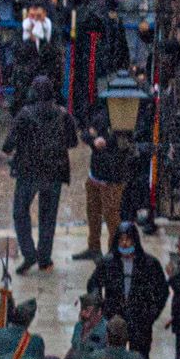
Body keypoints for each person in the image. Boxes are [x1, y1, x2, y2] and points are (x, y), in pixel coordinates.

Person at [2, 75, 78, 275]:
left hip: (29, 171)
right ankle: (44, 258)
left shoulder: (24, 115)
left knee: (20, 212)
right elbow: (73, 142)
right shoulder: (63, 115)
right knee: (48, 217)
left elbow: (7, 146)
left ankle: (29, 253)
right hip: (54, 172)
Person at [88, 222, 169, 359]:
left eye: (128, 239)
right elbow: (93, 284)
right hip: (114, 320)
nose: (125, 243)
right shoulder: (108, 263)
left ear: (135, 240)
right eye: (121, 239)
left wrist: (151, 314)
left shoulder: (149, 264)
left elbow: (162, 291)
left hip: (139, 321)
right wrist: (99, 307)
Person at [75, 100, 132, 264]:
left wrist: (105, 141)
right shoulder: (101, 115)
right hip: (96, 173)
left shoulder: (127, 121)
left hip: (113, 177)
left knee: (111, 214)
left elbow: (124, 144)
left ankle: (114, 252)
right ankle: (93, 247)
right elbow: (86, 133)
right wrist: (94, 140)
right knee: (93, 212)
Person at [63, 291, 109, 359]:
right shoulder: (78, 326)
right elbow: (74, 349)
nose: (83, 314)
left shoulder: (107, 331)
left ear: (99, 311)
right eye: (82, 309)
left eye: (88, 310)